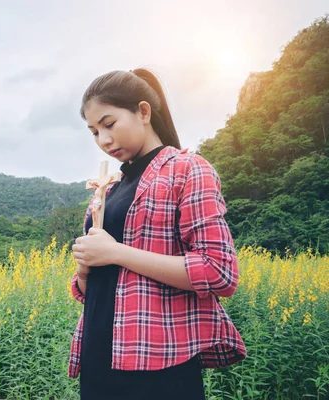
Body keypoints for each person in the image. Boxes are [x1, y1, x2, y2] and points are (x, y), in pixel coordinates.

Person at [69, 68, 247, 400]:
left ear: (144, 112)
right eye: (93, 132)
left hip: (158, 365)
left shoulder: (187, 169)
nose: (103, 140)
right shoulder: (110, 189)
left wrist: (116, 252)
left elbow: (219, 272)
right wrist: (83, 269)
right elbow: (92, 286)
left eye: (109, 124)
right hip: (97, 357)